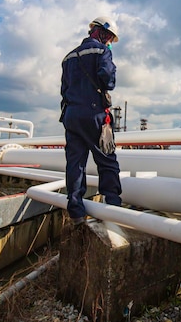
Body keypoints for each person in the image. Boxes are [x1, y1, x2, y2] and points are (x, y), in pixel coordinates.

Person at [60, 16, 122, 225]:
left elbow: (64, 89)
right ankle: (112, 206)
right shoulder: (102, 52)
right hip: (94, 114)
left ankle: (76, 212)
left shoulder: (68, 57)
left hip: (71, 115)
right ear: (103, 33)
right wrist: (110, 63)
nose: (109, 43)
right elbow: (108, 81)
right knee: (107, 161)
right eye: (110, 38)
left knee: (75, 164)